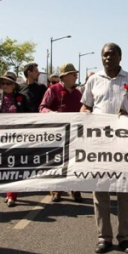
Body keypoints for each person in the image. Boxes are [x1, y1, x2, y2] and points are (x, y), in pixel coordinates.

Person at [80, 42, 128, 254]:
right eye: (104, 55)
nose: (107, 58)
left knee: (124, 193)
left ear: (120, 57)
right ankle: (104, 237)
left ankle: (125, 238)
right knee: (100, 192)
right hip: (99, 145)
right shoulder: (93, 80)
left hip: (123, 144)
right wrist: (84, 117)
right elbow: (86, 106)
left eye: (112, 54)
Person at [39, 63, 83, 202]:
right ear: (64, 77)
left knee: (75, 161)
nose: (76, 76)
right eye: (73, 74)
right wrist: (52, 113)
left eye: (75, 74)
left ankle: (75, 188)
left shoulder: (78, 93)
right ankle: (56, 189)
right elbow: (42, 107)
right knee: (57, 161)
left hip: (75, 132)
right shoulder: (52, 90)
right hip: (57, 132)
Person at [0, 72, 27, 207]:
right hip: (1, 137)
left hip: (17, 136)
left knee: (14, 165)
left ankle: (12, 195)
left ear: (13, 85)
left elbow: (30, 115)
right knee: (3, 165)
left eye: (8, 83)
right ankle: (8, 192)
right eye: (3, 83)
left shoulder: (22, 98)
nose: (5, 85)